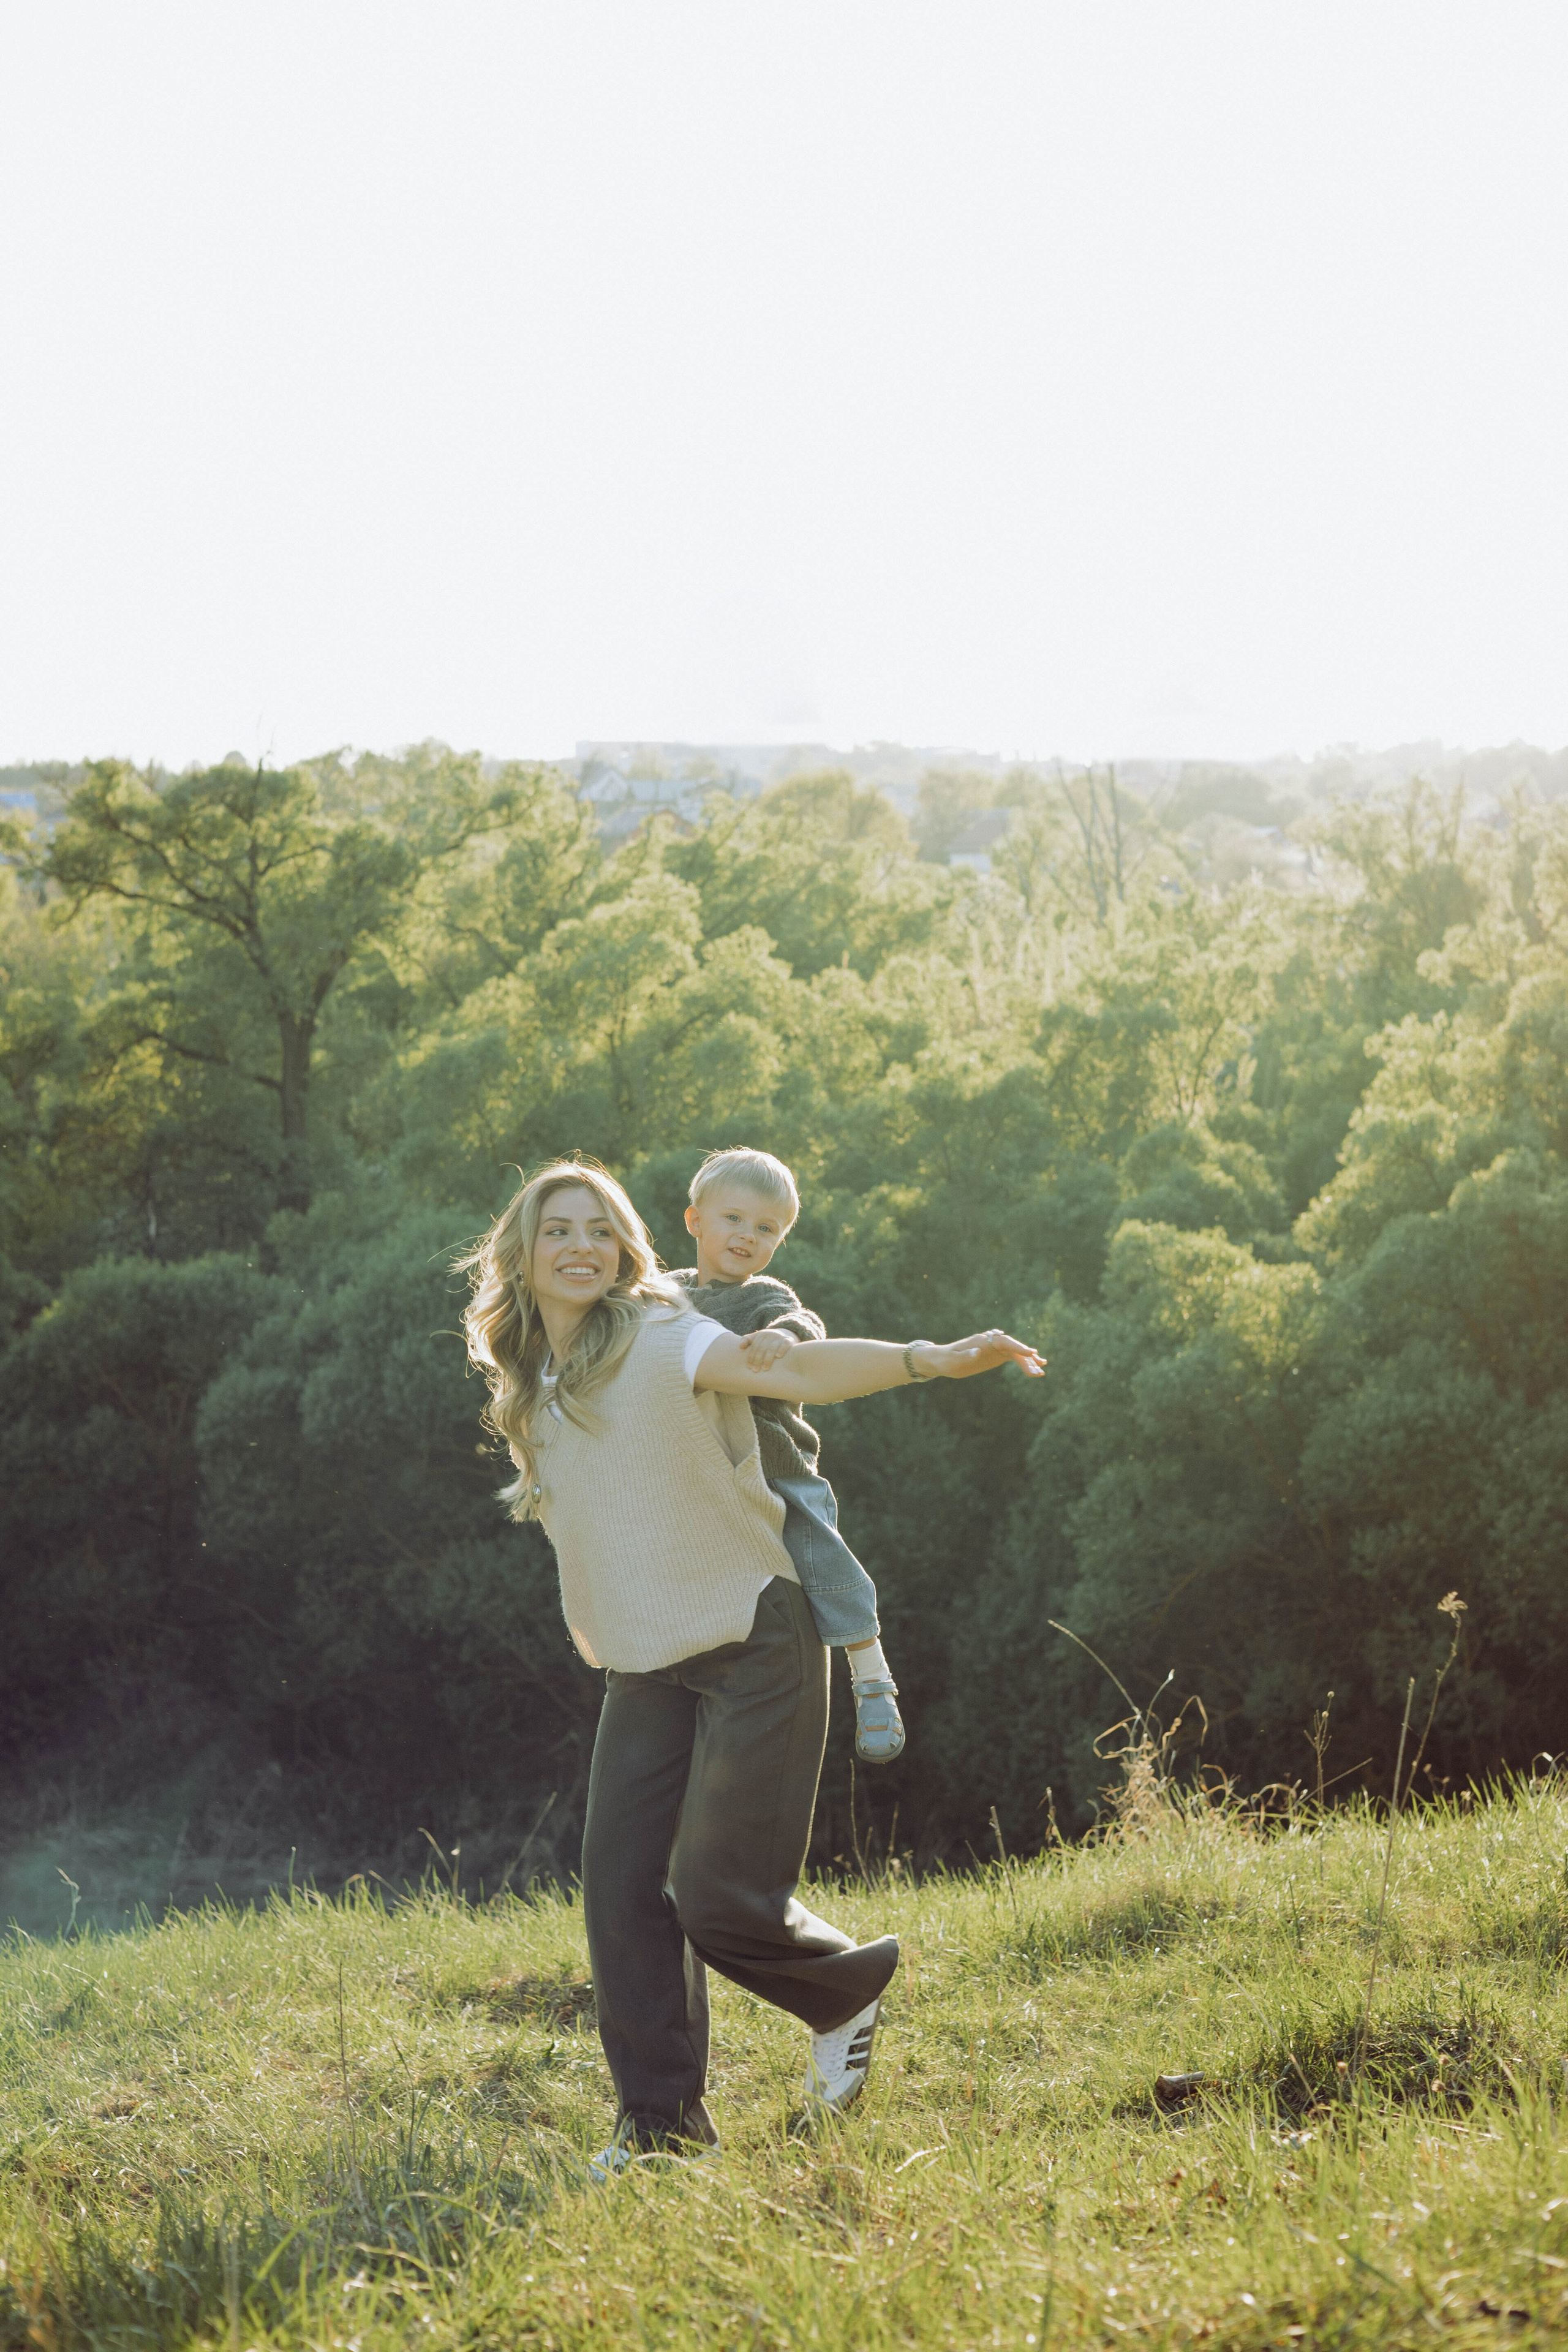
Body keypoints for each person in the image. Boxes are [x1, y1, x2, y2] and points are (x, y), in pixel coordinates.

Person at [461, 1158, 1044, 2169]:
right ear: (523, 1251)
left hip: (753, 1637)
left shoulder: (661, 1334)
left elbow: (798, 1372)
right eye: (560, 1229)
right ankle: (661, 2131)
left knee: (719, 1896)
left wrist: (928, 1359)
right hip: (647, 1662)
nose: (583, 1246)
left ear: (629, 1246)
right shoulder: (537, 1386)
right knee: (620, 1893)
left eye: (601, 1229)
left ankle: (845, 1991)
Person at [673, 1144, 906, 1763]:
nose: (748, 1236)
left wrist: (784, 1335)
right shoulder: (663, 1295)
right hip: (696, 1469)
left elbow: (807, 1323)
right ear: (695, 1221)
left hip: (775, 1463)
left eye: (766, 1228)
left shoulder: (765, 1296)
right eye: (734, 1220)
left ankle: (870, 1669)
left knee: (816, 1548)